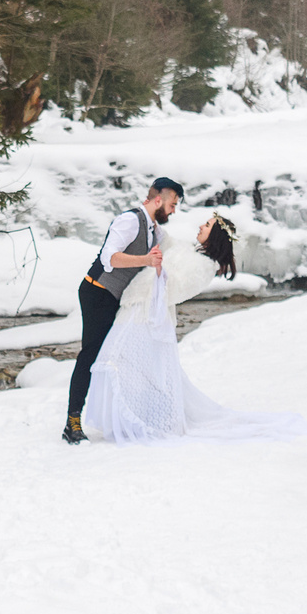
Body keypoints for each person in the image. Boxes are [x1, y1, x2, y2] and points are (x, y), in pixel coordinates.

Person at [80, 207, 307, 447]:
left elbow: (178, 289)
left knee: (122, 363)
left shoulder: (205, 266)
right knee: (124, 363)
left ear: (215, 236)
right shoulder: (189, 250)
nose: (201, 227)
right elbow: (168, 243)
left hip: (147, 315)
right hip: (135, 307)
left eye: (207, 226)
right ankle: (132, 419)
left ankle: (141, 421)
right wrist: (151, 222)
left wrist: (158, 269)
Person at [63, 178, 183, 444]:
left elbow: (172, 252)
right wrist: (146, 260)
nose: (173, 211)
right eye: (173, 204)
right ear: (159, 199)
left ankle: (131, 414)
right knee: (91, 355)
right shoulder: (129, 221)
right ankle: (72, 422)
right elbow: (109, 257)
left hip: (116, 298)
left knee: (119, 353)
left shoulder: (155, 231)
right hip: (97, 291)